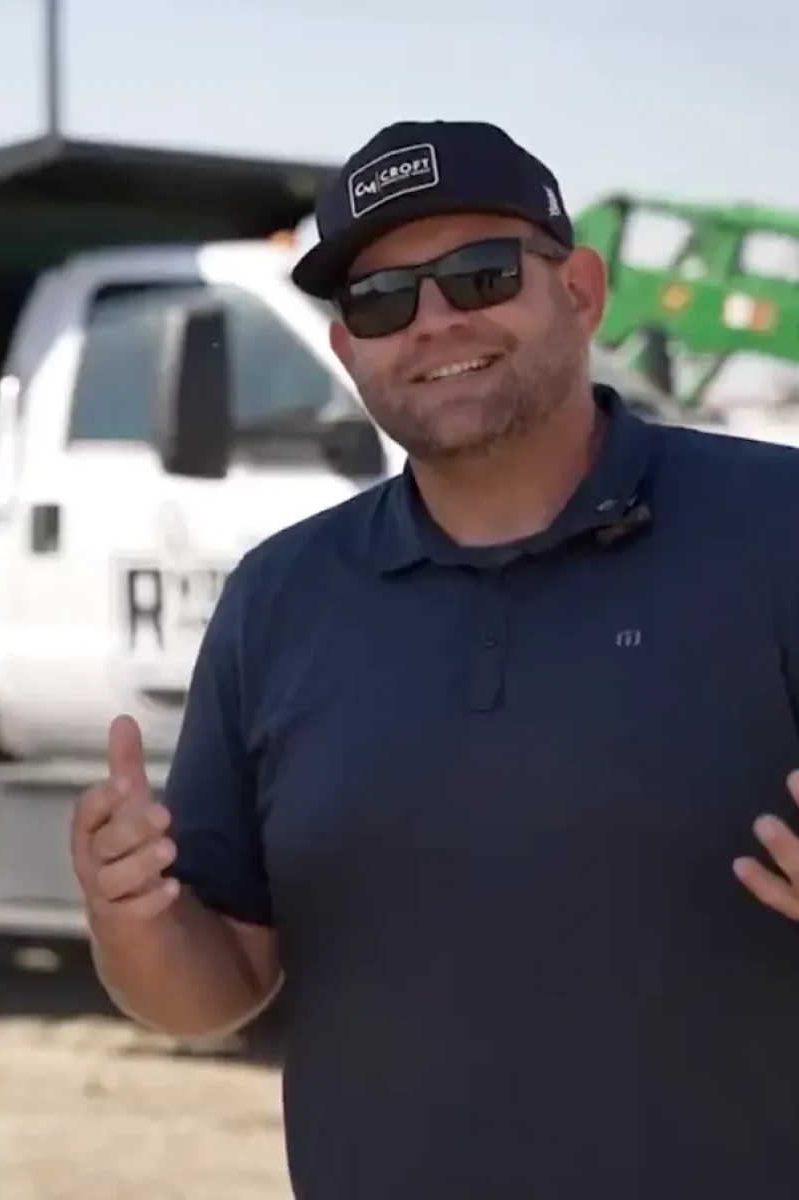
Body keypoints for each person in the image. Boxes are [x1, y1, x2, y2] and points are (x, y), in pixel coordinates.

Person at [71, 119, 799, 1199]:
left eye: (479, 275)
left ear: (581, 290)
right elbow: (215, 986)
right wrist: (129, 918)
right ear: (344, 351)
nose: (432, 322)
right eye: (379, 300)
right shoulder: (280, 599)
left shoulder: (773, 530)